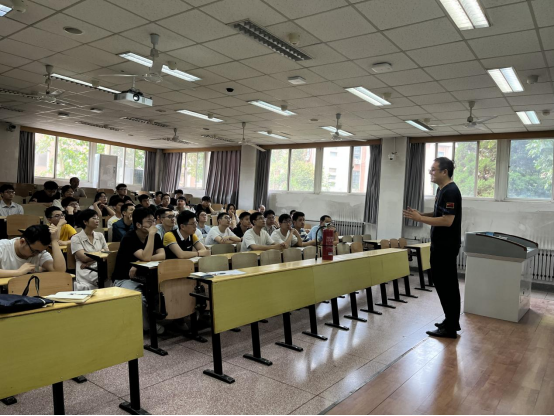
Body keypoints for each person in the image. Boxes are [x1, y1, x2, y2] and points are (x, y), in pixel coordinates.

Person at [403, 157, 462, 340]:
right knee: (443, 284)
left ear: (445, 172)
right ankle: (450, 321)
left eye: (434, 169)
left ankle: (450, 327)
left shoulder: (450, 191)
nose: (431, 172)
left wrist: (420, 219)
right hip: (440, 245)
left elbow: (447, 220)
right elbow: (438, 214)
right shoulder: (441, 189)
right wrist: (420, 214)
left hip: (446, 247)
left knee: (447, 286)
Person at [112, 208, 165, 334]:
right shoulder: (129, 237)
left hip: (144, 276)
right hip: (125, 278)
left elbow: (162, 255)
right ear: (138, 225)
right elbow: (146, 257)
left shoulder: (156, 236)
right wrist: (150, 236)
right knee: (138, 298)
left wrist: (139, 262)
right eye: (149, 222)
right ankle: (147, 327)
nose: (153, 225)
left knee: (165, 291)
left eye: (153, 221)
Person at [0, 224, 66, 278]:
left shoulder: (40, 252)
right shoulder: (2, 246)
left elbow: (60, 271)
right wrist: (18, 272)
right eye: (34, 251)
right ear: (22, 242)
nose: (36, 254)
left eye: (40, 252)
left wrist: (54, 241)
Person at [71, 209, 110, 290]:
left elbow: (107, 253)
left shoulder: (100, 235)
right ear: (85, 222)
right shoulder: (76, 238)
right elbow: (84, 258)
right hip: (86, 270)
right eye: (94, 218)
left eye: (98, 218)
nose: (97, 220)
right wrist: (101, 252)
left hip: (99, 266)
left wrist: (90, 261)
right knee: (107, 276)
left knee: (113, 273)